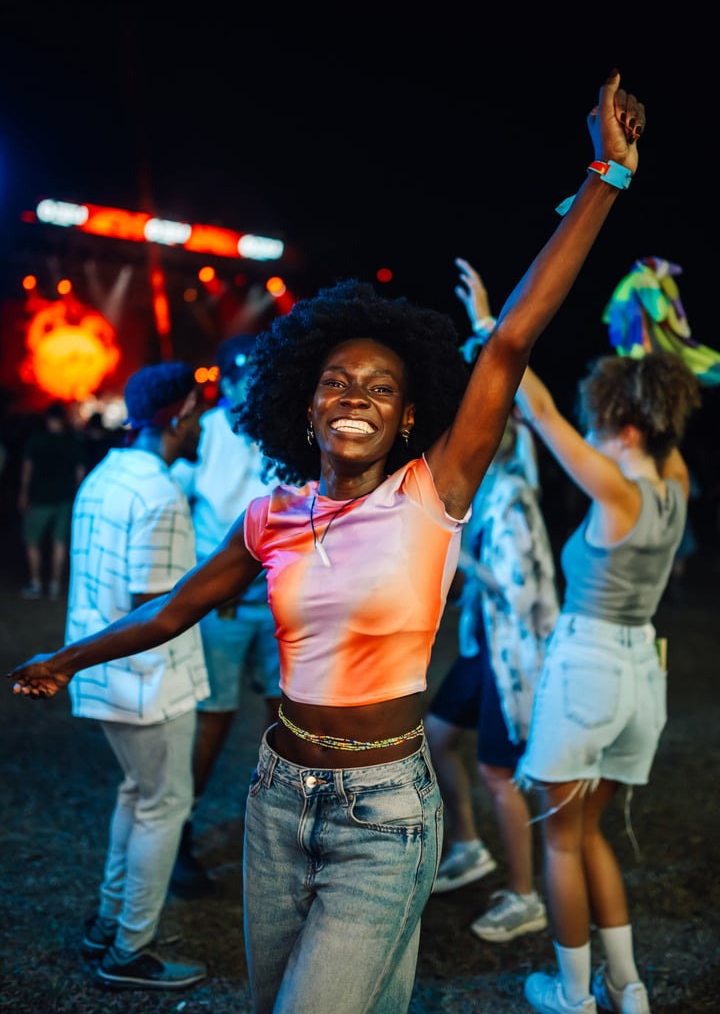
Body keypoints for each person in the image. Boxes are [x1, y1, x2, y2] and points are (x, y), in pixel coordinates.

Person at [9, 69, 646, 1014]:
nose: (357, 395)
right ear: (304, 404)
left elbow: (510, 342)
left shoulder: (434, 491)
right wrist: (67, 657)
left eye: (383, 390)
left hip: (385, 815)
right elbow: (178, 607)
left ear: (407, 418)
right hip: (275, 800)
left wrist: (606, 174)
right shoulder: (270, 514)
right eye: (339, 382)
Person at [504, 350, 700, 1013]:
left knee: (560, 839)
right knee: (590, 833)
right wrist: (648, 338)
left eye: (600, 421)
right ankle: (627, 985)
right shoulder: (677, 484)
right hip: (644, 674)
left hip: (589, 669)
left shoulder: (616, 492)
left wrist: (490, 329)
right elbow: (658, 416)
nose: (588, 432)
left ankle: (572, 993)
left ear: (629, 428)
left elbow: (541, 412)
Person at [59, 363, 211, 990]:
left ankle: (108, 921)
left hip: (105, 675)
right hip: (151, 683)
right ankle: (129, 949)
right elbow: (157, 609)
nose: (202, 421)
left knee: (136, 794)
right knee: (163, 806)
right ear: (178, 414)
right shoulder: (161, 493)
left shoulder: (105, 475)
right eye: (197, 410)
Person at [427, 259, 559, 944]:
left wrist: (455, 557)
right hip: (484, 646)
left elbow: (515, 591)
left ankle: (526, 893)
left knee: (496, 769)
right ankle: (470, 848)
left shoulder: (511, 496)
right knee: (439, 736)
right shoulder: (490, 486)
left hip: (517, 657)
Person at [169, 333, 282, 895]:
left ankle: (285, 828)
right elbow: (176, 508)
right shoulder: (206, 433)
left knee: (287, 716)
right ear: (228, 381)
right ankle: (178, 832)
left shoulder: (283, 425)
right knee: (212, 717)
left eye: (259, 375)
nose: (251, 386)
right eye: (243, 377)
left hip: (279, 599)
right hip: (222, 605)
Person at [18, 401, 86, 600]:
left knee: (32, 541)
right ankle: (55, 584)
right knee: (60, 542)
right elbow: (79, 474)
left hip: (39, 499)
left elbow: (27, 470)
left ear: (48, 419)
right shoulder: (73, 442)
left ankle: (36, 582)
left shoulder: (36, 440)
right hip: (65, 499)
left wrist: (23, 493)